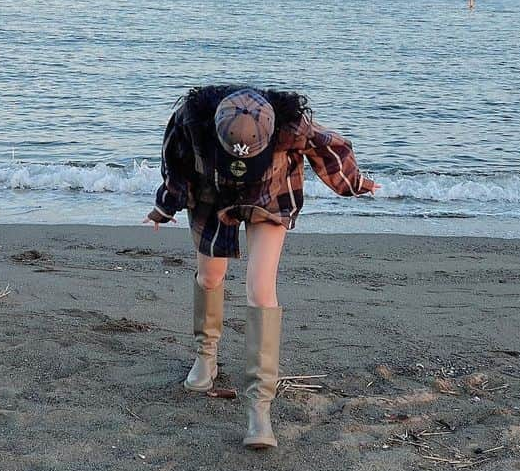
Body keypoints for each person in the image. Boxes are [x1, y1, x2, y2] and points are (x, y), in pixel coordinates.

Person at [144, 85, 378, 450]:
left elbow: (331, 149)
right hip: (212, 195)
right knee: (210, 275)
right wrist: (166, 206)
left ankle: (259, 406)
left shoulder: (289, 126)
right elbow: (177, 167)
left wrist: (354, 184)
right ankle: (206, 357)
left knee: (260, 288)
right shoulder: (192, 123)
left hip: (270, 194)